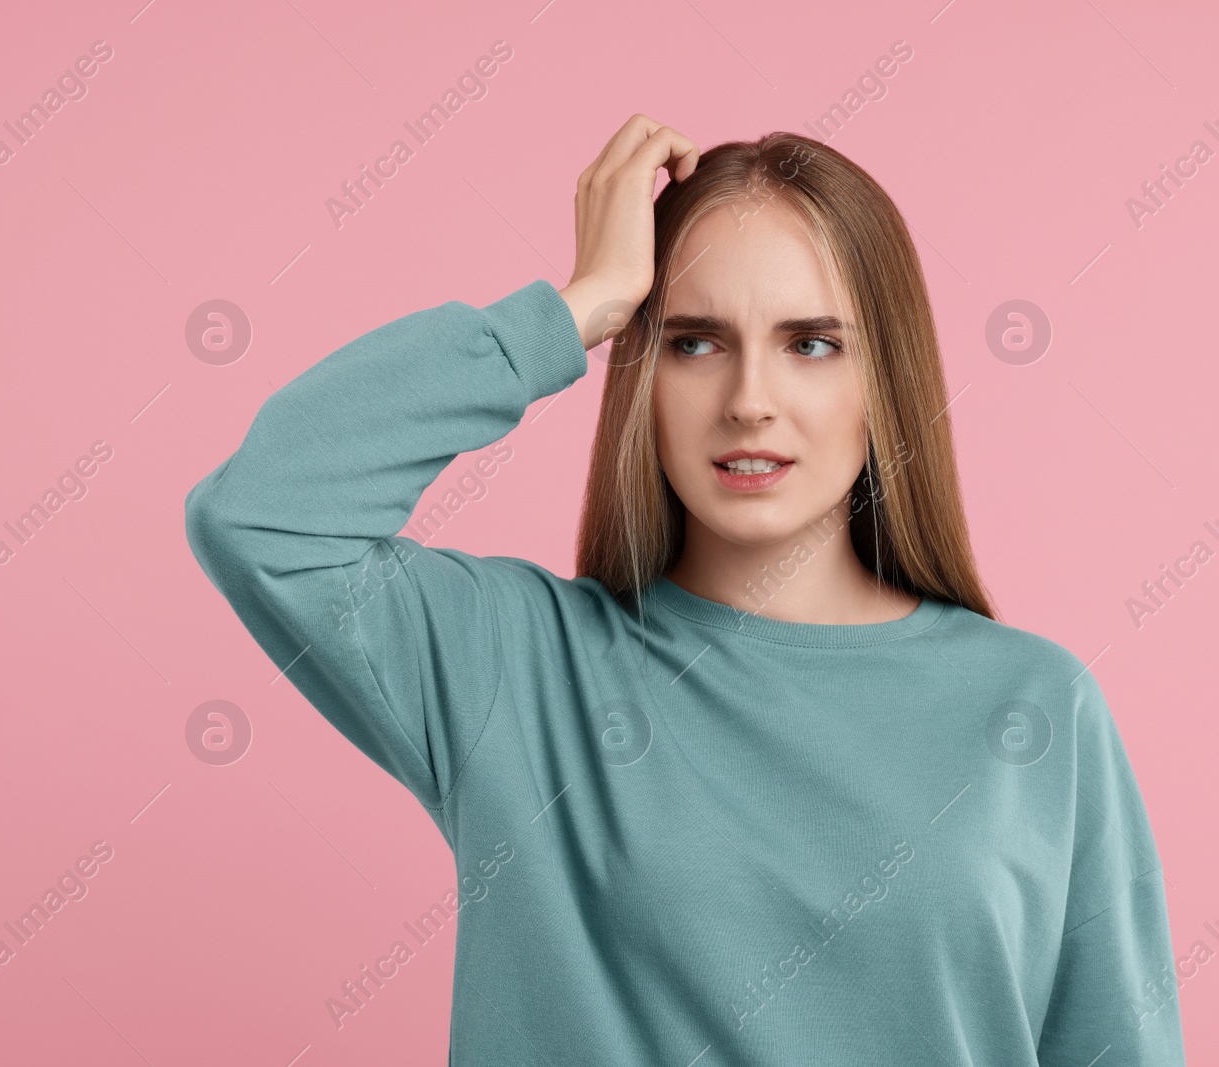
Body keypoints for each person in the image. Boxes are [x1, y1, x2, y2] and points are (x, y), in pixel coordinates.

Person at [184, 114, 1186, 1065]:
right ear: (639, 371)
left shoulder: (1036, 707)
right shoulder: (519, 670)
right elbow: (262, 511)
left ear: (886, 381)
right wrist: (578, 306)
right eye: (692, 341)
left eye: (811, 342)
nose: (749, 399)